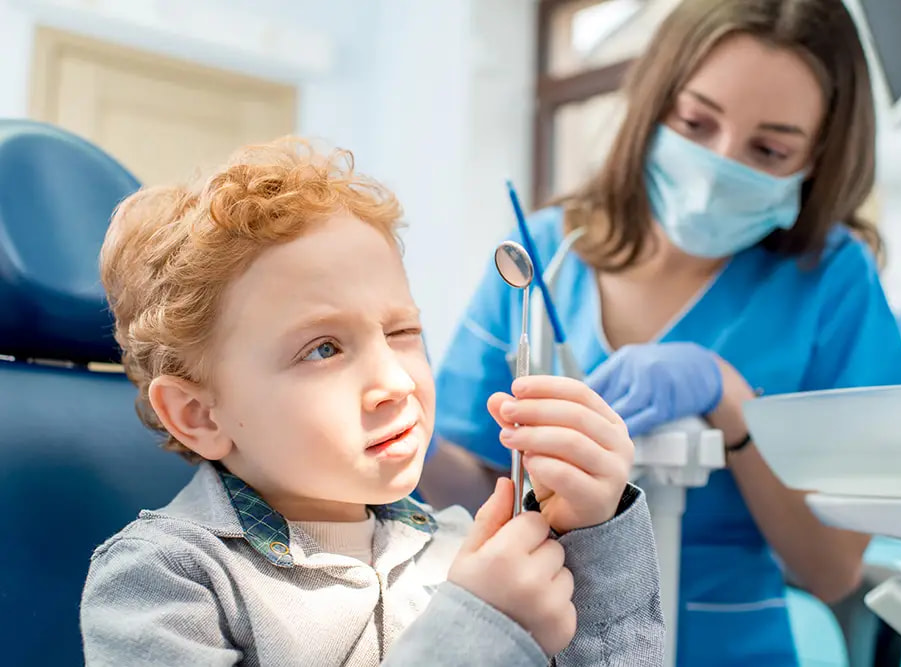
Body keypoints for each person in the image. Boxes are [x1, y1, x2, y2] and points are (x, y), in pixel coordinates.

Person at [421, 0, 901, 664]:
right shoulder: (542, 254)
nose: (720, 163)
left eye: (769, 149)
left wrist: (729, 398)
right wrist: (412, 436)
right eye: (695, 121)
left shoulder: (829, 279)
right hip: (546, 645)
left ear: (818, 158)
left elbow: (832, 570)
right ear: (656, 103)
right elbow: (474, 490)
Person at [79, 138, 666, 666]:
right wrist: (480, 632)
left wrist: (596, 538)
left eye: (402, 332)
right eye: (323, 348)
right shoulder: (165, 583)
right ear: (197, 415)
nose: (395, 380)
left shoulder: (458, 549)